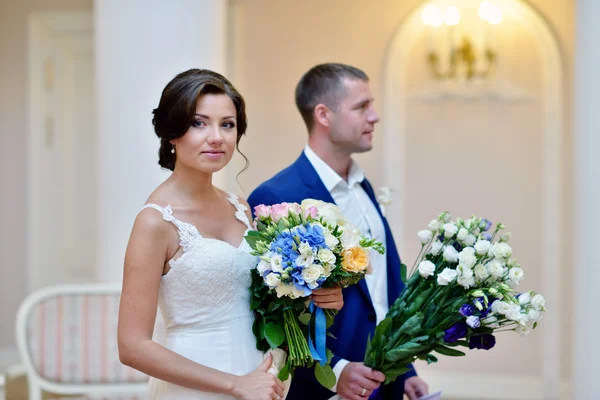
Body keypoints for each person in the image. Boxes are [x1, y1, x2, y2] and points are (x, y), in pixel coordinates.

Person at [117, 69, 343, 400]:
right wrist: (235, 385)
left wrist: (316, 297)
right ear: (172, 132)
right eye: (199, 123)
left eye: (227, 124)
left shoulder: (240, 206)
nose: (217, 137)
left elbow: (253, 299)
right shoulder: (155, 222)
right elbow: (132, 346)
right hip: (198, 386)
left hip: (263, 382)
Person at [248, 64, 429, 400]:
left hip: (382, 378)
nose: (374, 117)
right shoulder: (275, 198)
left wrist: (406, 368)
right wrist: (335, 370)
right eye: (361, 106)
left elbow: (384, 285)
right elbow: (269, 316)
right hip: (324, 388)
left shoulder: (364, 188)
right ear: (323, 115)